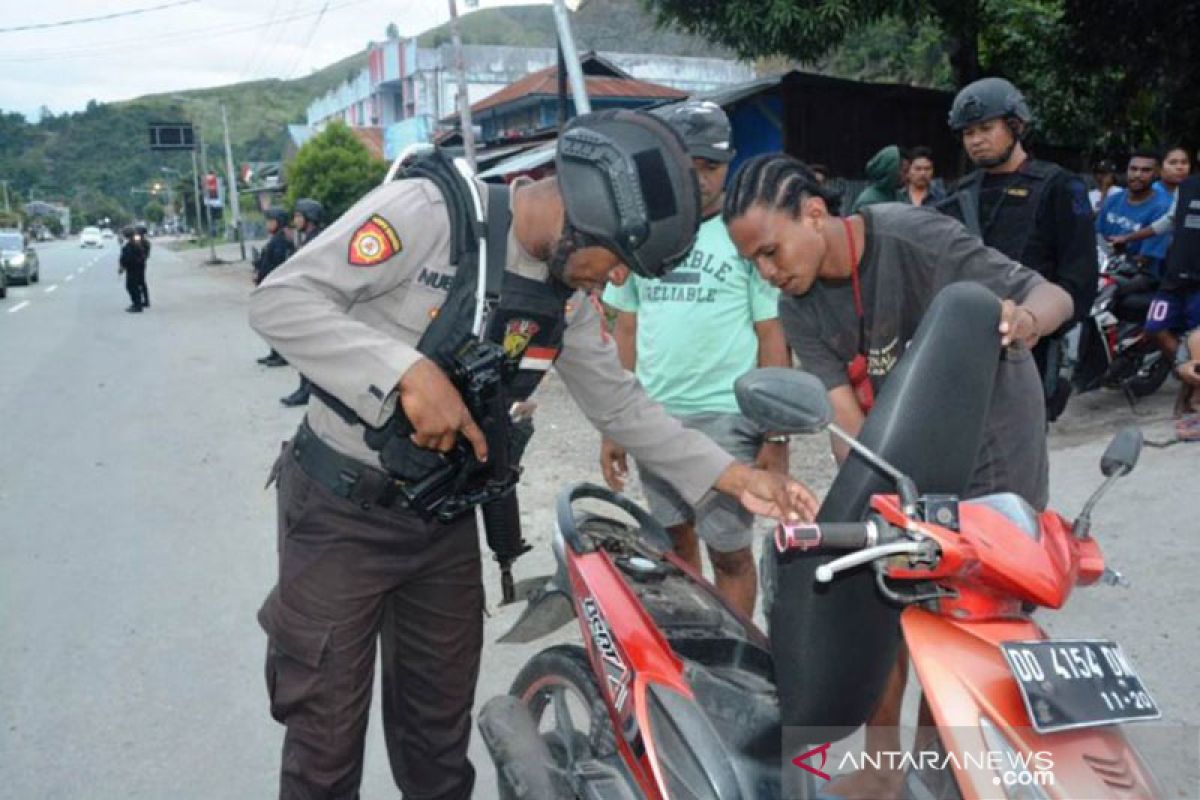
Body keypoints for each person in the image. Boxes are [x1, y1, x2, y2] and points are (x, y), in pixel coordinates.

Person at [248, 110, 818, 800]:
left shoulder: (565, 297)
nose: (610, 285)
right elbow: (281, 301)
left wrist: (732, 474)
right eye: (613, 263)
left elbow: (621, 405)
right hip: (341, 514)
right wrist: (403, 372)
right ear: (579, 219)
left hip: (442, 522)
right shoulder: (428, 214)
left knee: (437, 745)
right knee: (325, 747)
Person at [723, 154, 1073, 800]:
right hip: (903, 447)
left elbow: (1053, 295)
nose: (768, 272)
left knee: (965, 615)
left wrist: (1025, 321)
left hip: (994, 439)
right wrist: (872, 516)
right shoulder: (797, 306)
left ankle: (939, 771)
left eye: (771, 251)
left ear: (816, 213)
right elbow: (850, 424)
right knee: (879, 584)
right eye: (755, 264)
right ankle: (885, 770)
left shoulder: (915, 238)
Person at [599, 101, 789, 617]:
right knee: (674, 545)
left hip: (727, 419)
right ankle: (692, 654)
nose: (701, 178)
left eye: (712, 166)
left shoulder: (745, 235)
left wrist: (775, 434)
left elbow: (771, 335)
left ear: (729, 165)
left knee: (729, 553)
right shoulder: (648, 232)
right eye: (690, 166)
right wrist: (616, 423)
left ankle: (735, 663)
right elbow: (626, 327)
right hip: (654, 416)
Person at [938, 76, 1097, 421]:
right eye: (968, 133)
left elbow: (1080, 281)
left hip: (1033, 350)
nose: (977, 140)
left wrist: (1038, 321)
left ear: (1016, 126)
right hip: (969, 348)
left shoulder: (1059, 187)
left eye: (985, 128)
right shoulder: (958, 196)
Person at [1144, 174, 1200, 417]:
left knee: (1195, 341)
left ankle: (1189, 394)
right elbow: (1169, 220)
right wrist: (1130, 237)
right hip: (1175, 274)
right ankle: (1188, 377)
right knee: (1155, 326)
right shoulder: (1187, 186)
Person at [279, 198, 325, 406]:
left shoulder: (316, 240)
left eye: (298, 216)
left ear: (309, 218)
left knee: (308, 349)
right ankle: (306, 389)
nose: (295, 220)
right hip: (308, 297)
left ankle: (307, 391)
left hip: (314, 299)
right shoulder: (308, 238)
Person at [1110, 146, 1191, 250]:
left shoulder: (1191, 191)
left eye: (1184, 162)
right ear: (1160, 169)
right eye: (1173, 163)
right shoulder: (1147, 193)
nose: (1180, 167)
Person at [255, 208, 296, 367]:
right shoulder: (276, 238)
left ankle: (282, 355)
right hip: (269, 286)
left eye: (270, 220)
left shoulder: (282, 240)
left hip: (276, 287)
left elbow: (277, 265)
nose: (268, 223)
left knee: (279, 323)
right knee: (272, 322)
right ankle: (274, 353)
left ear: (278, 222)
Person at [850, 144, 905, 212]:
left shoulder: (899, 197)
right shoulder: (868, 201)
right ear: (891, 171)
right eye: (904, 171)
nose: (907, 176)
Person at [118, 226, 148, 313]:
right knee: (132, 286)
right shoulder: (132, 243)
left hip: (134, 268)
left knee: (132, 286)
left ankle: (137, 305)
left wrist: (122, 266)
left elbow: (128, 257)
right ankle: (136, 303)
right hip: (133, 267)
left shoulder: (132, 244)